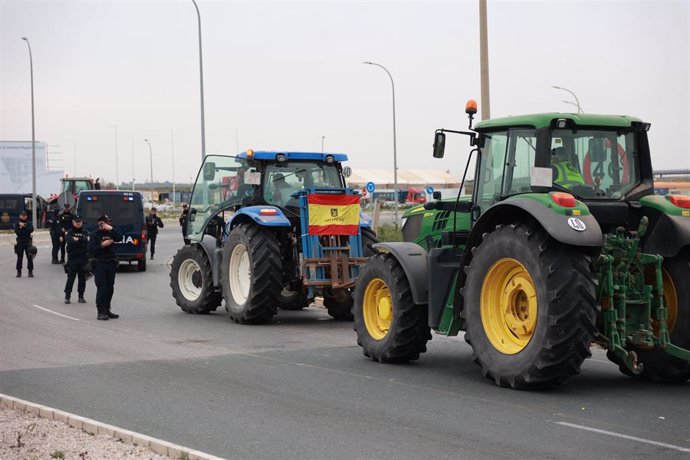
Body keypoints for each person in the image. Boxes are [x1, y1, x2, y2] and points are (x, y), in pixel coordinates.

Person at [88, 214, 122, 321]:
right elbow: (91, 250)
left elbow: (120, 237)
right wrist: (103, 245)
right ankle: (100, 312)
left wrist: (111, 229)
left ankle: (107, 309)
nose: (109, 224)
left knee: (110, 287)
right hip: (100, 264)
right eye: (107, 222)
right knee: (102, 288)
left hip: (111, 263)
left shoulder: (111, 232)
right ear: (101, 223)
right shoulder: (95, 234)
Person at [64, 215, 89, 304]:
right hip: (73, 258)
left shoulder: (85, 232)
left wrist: (77, 240)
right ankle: (67, 296)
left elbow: (87, 241)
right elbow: (69, 241)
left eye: (79, 222)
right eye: (76, 222)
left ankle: (81, 296)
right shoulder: (69, 232)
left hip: (83, 258)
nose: (78, 224)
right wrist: (80, 240)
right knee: (71, 278)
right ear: (73, 222)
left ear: (82, 222)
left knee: (82, 279)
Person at [14, 210, 34, 278]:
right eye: (22, 215)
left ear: (26, 216)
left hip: (28, 242)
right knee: (19, 258)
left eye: (25, 215)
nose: (23, 217)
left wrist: (24, 227)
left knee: (29, 257)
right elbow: (17, 232)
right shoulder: (17, 223)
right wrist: (21, 227)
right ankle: (19, 271)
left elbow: (31, 229)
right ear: (20, 216)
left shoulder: (29, 223)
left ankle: (30, 271)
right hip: (20, 242)